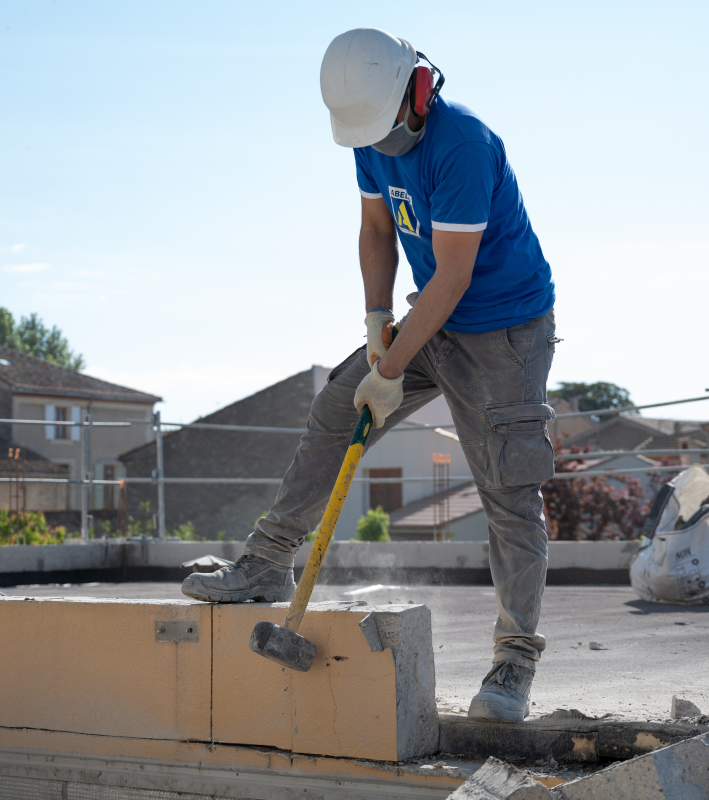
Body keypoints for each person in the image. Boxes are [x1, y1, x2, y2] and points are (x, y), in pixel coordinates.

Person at [182, 27, 558, 723]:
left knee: (507, 486)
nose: (380, 147)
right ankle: (267, 561)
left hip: (504, 330)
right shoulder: (369, 132)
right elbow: (378, 232)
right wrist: (375, 322)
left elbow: (453, 275)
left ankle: (514, 661)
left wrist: (388, 368)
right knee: (334, 409)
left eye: (387, 132)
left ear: (419, 91)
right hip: (431, 316)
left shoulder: (465, 145)